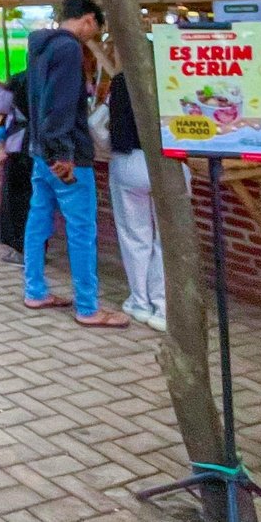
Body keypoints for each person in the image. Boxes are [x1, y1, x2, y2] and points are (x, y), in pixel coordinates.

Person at [23, 0, 128, 327]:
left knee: (38, 222)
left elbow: (39, 102)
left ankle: (35, 291)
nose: (93, 36)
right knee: (81, 229)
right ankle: (88, 308)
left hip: (40, 151)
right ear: (87, 20)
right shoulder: (69, 49)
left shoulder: (39, 46)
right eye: (95, 28)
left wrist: (48, 147)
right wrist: (63, 154)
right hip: (65, 158)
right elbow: (62, 104)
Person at [104, 61, 169, 330]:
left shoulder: (120, 81)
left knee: (134, 236)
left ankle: (140, 301)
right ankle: (164, 305)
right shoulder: (170, 76)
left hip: (128, 161)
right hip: (168, 162)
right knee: (166, 239)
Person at [0, 70, 30, 264]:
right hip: (30, 148)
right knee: (31, 203)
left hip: (20, 149)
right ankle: (28, 248)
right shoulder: (47, 78)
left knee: (17, 201)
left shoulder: (21, 80)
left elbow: (0, 104)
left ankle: (20, 247)